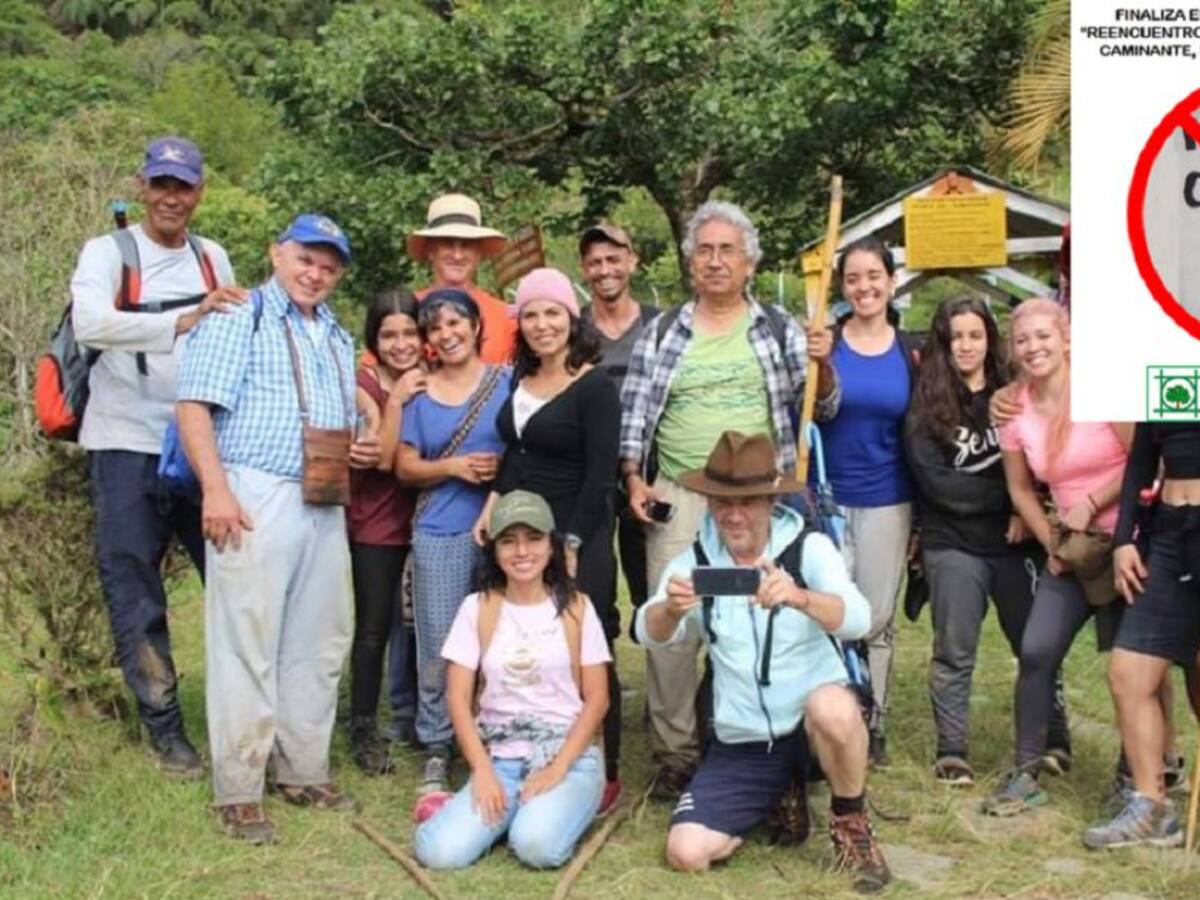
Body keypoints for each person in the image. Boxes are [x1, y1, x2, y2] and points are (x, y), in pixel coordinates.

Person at [619, 200, 838, 798]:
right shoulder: (663, 331)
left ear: (749, 264)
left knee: (758, 614)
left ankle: (762, 743)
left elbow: (823, 405)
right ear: (691, 263)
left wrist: (826, 364)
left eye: (727, 251)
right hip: (681, 493)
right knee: (675, 617)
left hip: (760, 498)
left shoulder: (780, 328)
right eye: (704, 251)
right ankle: (675, 753)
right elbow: (634, 415)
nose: (715, 262)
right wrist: (636, 479)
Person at [177, 214, 375, 843]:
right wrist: (216, 489)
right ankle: (238, 789)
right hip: (254, 488)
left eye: (328, 265)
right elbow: (193, 405)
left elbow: (342, 411)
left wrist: (366, 430)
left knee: (319, 638)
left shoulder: (338, 337)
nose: (315, 273)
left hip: (323, 494)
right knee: (247, 638)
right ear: (276, 253)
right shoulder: (241, 315)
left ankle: (303, 770)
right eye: (305, 260)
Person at [635, 431, 889, 893]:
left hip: (813, 729)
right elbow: (645, 632)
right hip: (744, 738)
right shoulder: (695, 562)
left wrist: (799, 597)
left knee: (832, 707)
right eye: (722, 501)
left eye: (748, 501)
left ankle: (850, 821)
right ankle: (776, 794)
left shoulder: (807, 549)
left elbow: (859, 619)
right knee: (685, 853)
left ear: (771, 501)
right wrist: (669, 610)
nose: (734, 514)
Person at [70, 135, 241, 777]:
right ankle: (165, 729)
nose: (171, 197)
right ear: (143, 186)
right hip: (123, 443)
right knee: (135, 591)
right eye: (161, 184)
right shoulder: (108, 253)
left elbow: (231, 329)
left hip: (199, 446)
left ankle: (241, 712)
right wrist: (182, 319)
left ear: (199, 192)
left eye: (184, 186)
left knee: (230, 581)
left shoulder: (212, 257)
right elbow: (90, 322)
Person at [473, 267, 624, 813]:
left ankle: (605, 769)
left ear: (571, 318)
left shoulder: (594, 387)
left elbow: (601, 474)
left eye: (552, 313)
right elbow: (517, 455)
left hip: (576, 526)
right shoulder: (519, 381)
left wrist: (574, 542)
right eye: (531, 314)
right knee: (515, 638)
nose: (542, 325)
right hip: (519, 528)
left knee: (587, 641)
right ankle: (511, 750)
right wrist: (493, 502)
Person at [904, 296, 1066, 786]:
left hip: (1015, 546)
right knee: (955, 649)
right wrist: (1010, 502)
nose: (967, 346)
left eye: (976, 335)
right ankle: (952, 750)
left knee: (1036, 647)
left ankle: (1053, 740)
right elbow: (939, 484)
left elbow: (1040, 462)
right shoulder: (925, 404)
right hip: (952, 542)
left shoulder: (1015, 395)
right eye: (956, 337)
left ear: (990, 340)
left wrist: (1027, 507)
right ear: (943, 343)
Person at [983, 297, 1133, 816]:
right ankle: (1026, 770)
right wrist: (1051, 540)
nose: (1033, 347)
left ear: (1065, 338)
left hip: (1126, 543)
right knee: (1037, 649)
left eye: (1043, 336)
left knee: (1133, 666)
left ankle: (1138, 772)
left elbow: (1142, 460)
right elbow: (1019, 487)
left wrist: (1092, 503)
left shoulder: (1101, 388)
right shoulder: (1013, 409)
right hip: (1069, 552)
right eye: (1023, 340)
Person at [414, 490, 610, 870]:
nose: (522, 552)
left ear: (551, 546)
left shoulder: (576, 607)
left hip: (566, 755)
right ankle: (483, 810)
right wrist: (483, 773)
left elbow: (598, 699)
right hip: (501, 756)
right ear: (495, 550)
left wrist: (557, 768)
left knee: (535, 846)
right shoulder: (478, 608)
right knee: (439, 854)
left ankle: (548, 808)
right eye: (509, 541)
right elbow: (457, 698)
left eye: (533, 539)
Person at [395, 288, 511, 799]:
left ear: (475, 326)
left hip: (505, 531)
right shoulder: (420, 395)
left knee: (501, 640)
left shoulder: (507, 384)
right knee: (440, 644)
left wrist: (499, 473)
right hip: (439, 531)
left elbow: (530, 448)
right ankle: (438, 744)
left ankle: (497, 737)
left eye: (455, 323)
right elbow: (404, 466)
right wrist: (453, 467)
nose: (447, 334)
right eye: (435, 328)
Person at [818, 235, 921, 766]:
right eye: (853, 278)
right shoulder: (825, 345)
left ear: (890, 280)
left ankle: (873, 718)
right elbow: (810, 412)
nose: (864, 287)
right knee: (834, 612)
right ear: (841, 286)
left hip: (887, 498)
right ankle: (836, 711)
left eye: (873, 276)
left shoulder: (911, 353)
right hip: (827, 499)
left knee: (877, 616)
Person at [1082, 421, 1200, 848]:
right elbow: (1143, 457)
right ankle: (1151, 807)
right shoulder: (1167, 358)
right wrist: (1123, 538)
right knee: (1128, 674)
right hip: (1169, 532)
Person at [346, 289, 426, 773]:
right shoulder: (364, 385)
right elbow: (382, 460)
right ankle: (361, 725)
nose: (400, 344)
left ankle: (421, 717)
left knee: (425, 628)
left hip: (428, 517)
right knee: (375, 627)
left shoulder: (435, 377)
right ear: (374, 340)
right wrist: (393, 402)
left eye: (409, 333)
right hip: (376, 520)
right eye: (388, 334)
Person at [578, 223, 658, 630]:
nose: (605, 269)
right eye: (595, 262)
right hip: (588, 472)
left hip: (652, 470)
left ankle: (661, 690)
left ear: (632, 260)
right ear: (583, 269)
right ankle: (600, 684)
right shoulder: (571, 330)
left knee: (653, 580)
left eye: (614, 258)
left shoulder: (660, 326)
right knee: (593, 583)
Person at [407, 192, 516, 365]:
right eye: (448, 244)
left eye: (466, 245)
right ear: (430, 250)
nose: (457, 255)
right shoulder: (405, 311)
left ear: (479, 252)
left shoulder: (506, 318)